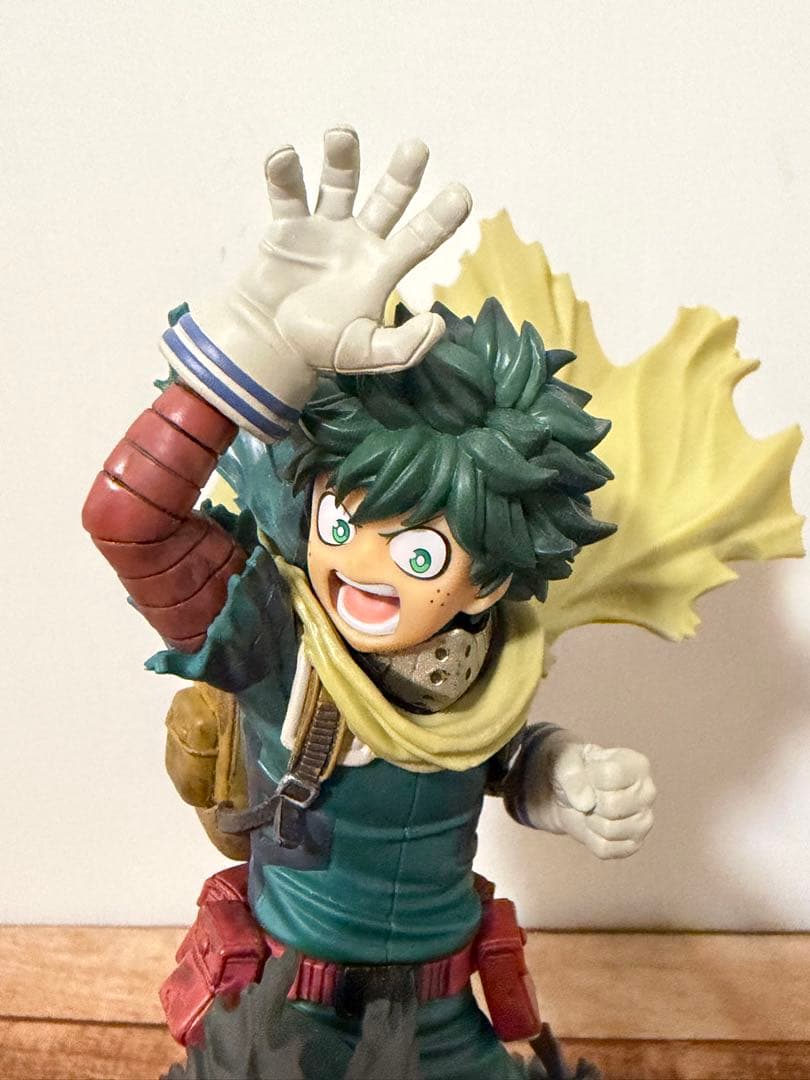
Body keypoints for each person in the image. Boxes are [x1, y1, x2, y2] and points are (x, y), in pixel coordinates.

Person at [83, 128, 655, 1080]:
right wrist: (249, 350)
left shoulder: (493, 662)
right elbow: (130, 521)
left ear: (491, 577)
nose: (366, 568)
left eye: (421, 550)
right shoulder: (278, 636)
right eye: (343, 521)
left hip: (445, 1021)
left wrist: (564, 777)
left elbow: (497, 749)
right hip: (288, 1023)